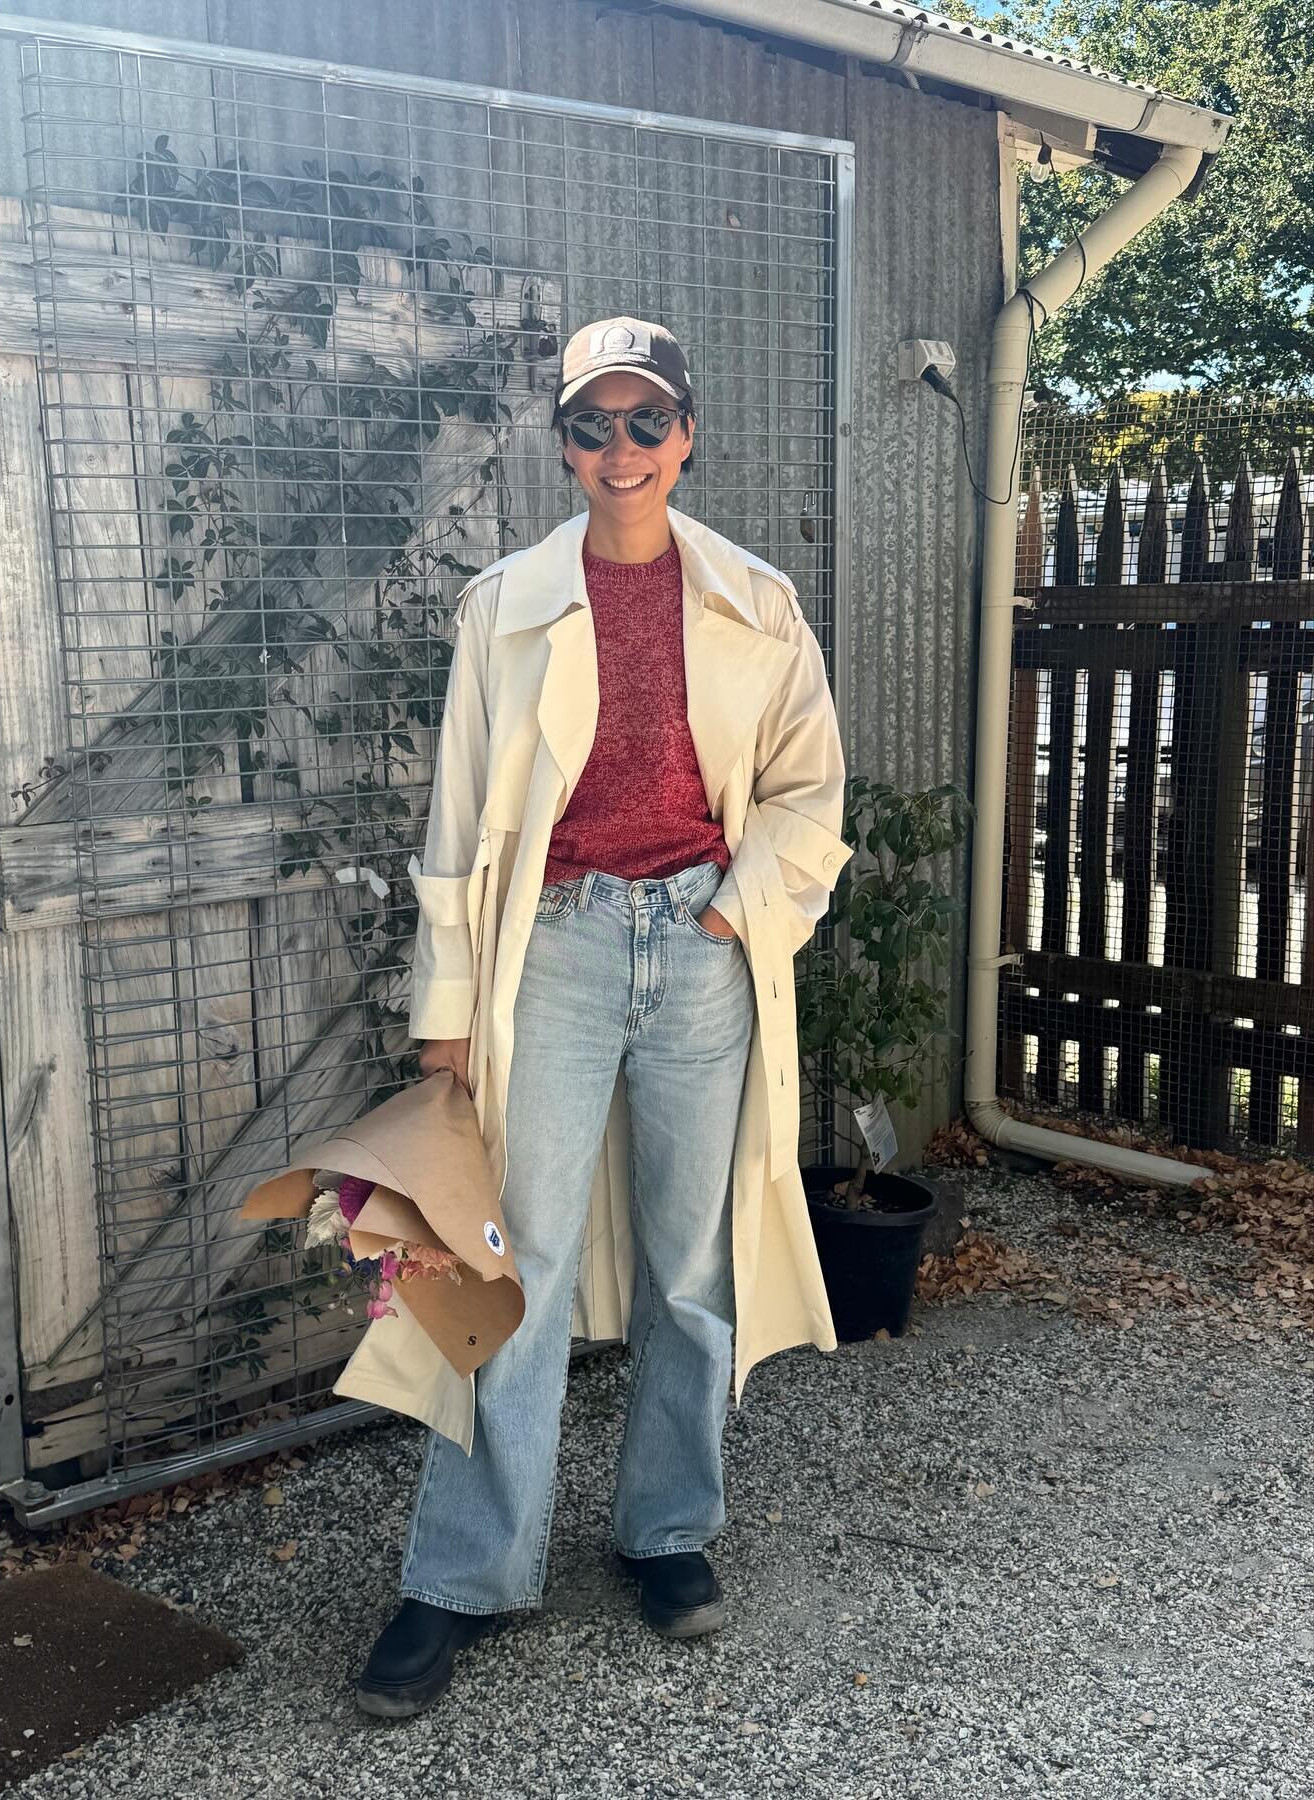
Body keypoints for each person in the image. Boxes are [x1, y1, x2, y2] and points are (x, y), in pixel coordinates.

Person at [353, 316, 850, 1718]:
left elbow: (812, 792)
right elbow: (458, 812)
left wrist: (733, 913)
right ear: (560, 443)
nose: (620, 450)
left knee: (695, 1267)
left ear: (687, 436)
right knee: (511, 1267)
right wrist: (447, 1015)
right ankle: (461, 1577)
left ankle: (668, 1532)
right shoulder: (504, 603)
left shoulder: (758, 600)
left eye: (647, 423)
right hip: (552, 956)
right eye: (592, 425)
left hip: (702, 949)